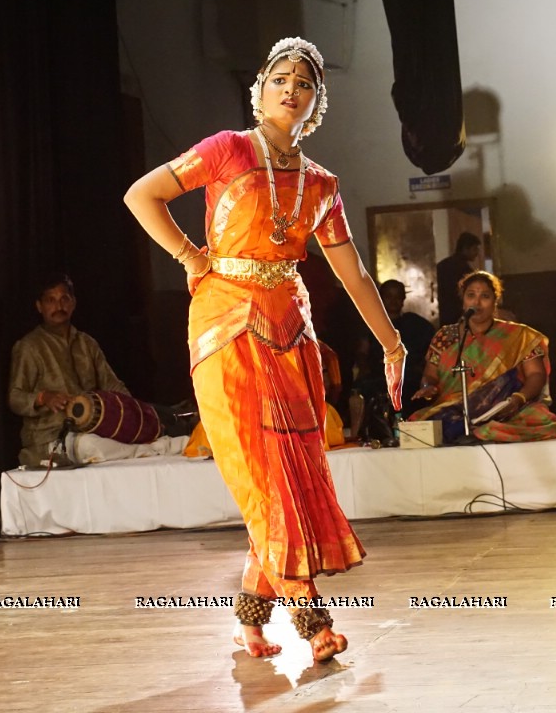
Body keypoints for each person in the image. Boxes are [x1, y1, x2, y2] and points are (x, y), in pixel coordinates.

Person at [124, 37, 405, 663]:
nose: (291, 89)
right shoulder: (225, 151)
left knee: (291, 478)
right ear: (260, 88)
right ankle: (311, 622)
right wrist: (191, 258)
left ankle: (249, 619)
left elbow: (354, 273)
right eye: (280, 77)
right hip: (225, 321)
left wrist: (392, 344)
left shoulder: (322, 184)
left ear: (315, 103)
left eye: (304, 83)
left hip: (291, 330)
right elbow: (141, 195)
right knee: (259, 477)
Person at [8, 274, 187, 467]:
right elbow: (15, 397)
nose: (59, 306)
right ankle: (165, 448)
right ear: (39, 306)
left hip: (93, 428)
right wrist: (43, 398)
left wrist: (138, 414)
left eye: (64, 299)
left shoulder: (86, 343)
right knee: (91, 446)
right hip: (50, 437)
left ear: (73, 303)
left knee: (119, 434)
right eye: (51, 300)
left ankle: (166, 444)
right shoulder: (29, 347)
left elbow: (112, 384)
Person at [409, 271, 556, 442]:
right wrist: (428, 386)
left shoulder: (517, 336)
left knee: (539, 419)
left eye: (485, 296)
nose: (477, 302)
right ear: (463, 302)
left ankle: (482, 431)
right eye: (471, 295)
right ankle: (474, 432)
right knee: (423, 423)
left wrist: (518, 398)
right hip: (453, 410)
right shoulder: (445, 336)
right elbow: (430, 375)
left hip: (508, 409)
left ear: (495, 302)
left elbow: (536, 374)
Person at [355, 279, 436, 412]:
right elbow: (363, 352)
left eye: (397, 297)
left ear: (403, 299)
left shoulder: (416, 324)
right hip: (378, 374)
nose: (393, 301)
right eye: (389, 296)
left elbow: (428, 352)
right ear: (381, 298)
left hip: (408, 375)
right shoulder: (371, 323)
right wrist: (365, 368)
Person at [436, 232, 482, 323]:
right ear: (465, 249)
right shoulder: (465, 270)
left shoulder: (443, 264)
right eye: (474, 249)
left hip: (442, 313)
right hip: (458, 315)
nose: (477, 253)